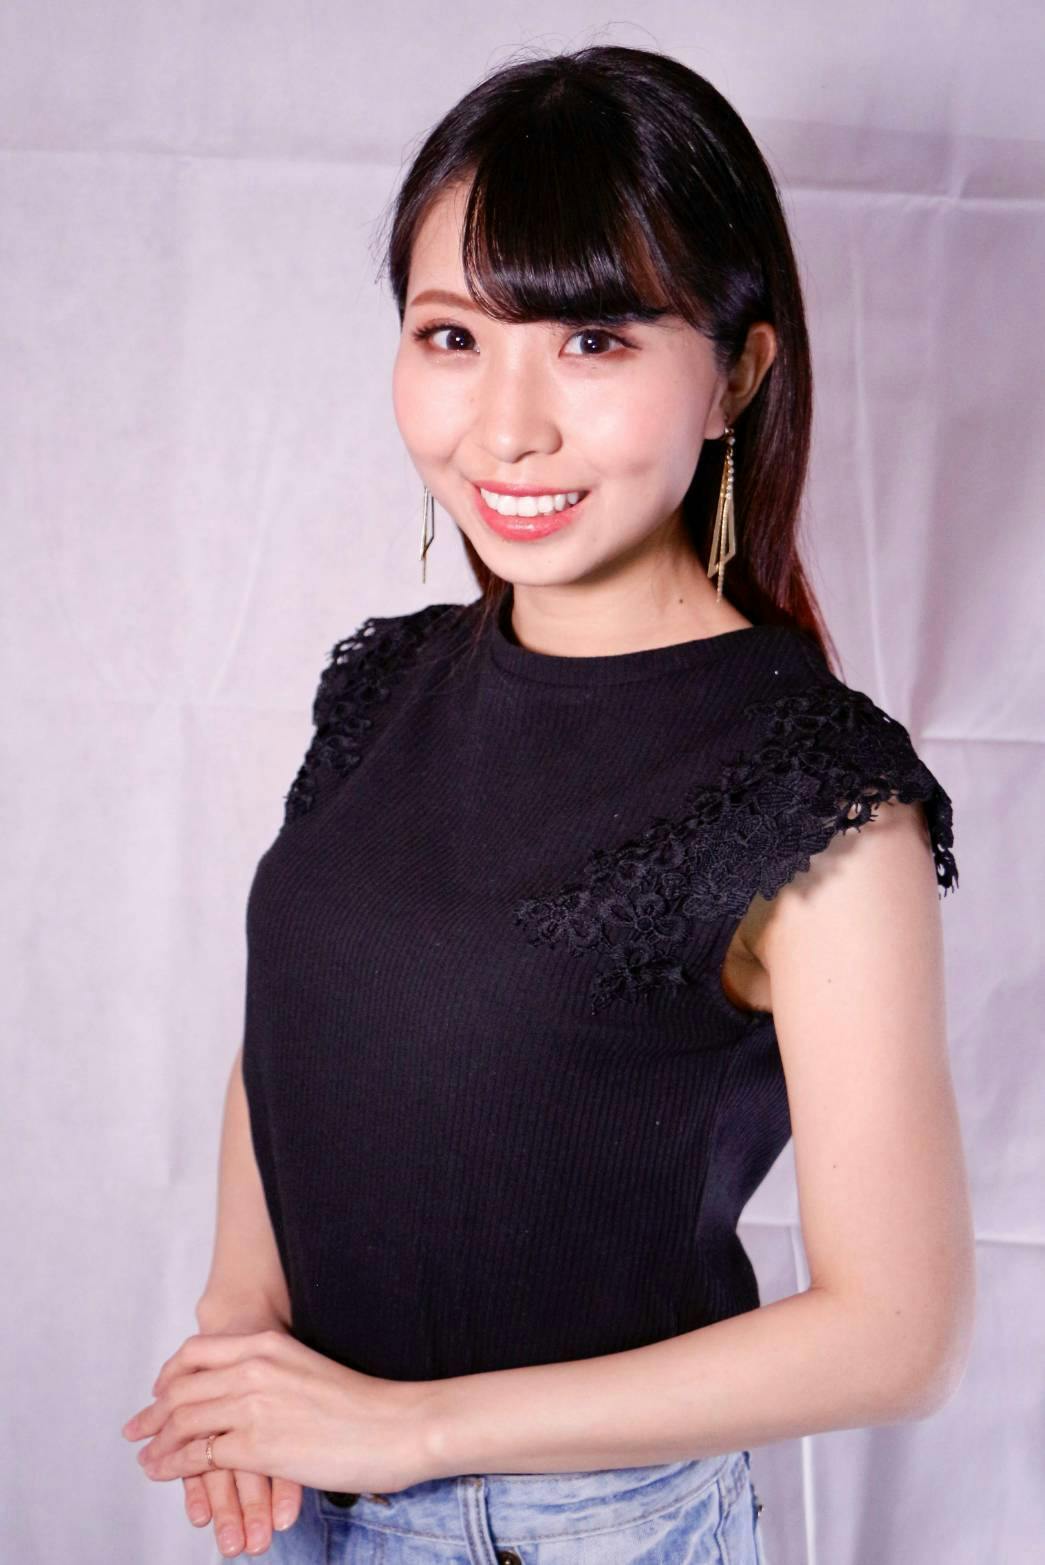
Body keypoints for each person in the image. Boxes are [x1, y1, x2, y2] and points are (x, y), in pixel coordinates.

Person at [121, 44, 975, 1563]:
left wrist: (411, 1430)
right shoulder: (386, 684)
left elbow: (897, 1332)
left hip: (570, 1530)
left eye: (591, 339)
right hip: (308, 1495)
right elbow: (306, 1022)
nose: (505, 425)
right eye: (452, 335)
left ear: (736, 376)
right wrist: (241, 1318)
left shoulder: (816, 793)